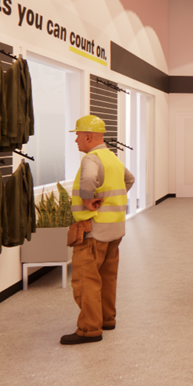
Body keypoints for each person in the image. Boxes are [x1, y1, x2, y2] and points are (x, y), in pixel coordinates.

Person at [61, 114, 135, 346]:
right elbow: (129, 180)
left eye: (78, 136)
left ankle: (89, 330)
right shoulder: (111, 157)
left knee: (86, 280)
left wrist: (87, 200)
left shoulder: (91, 159)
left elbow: (89, 180)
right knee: (107, 277)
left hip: (93, 231)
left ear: (88, 136)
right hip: (114, 231)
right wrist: (111, 201)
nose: (76, 141)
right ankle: (106, 319)